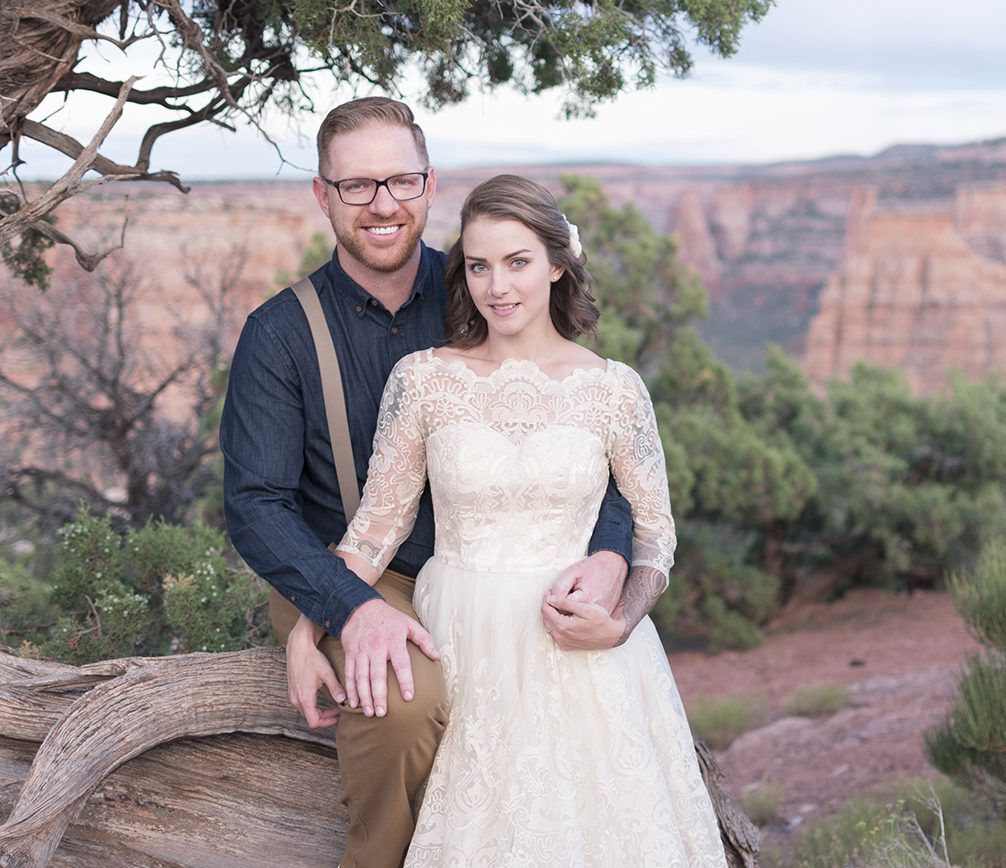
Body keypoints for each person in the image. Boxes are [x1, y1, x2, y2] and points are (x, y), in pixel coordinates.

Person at [220, 98, 635, 867]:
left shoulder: (484, 289)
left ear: (430, 184)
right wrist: (337, 613)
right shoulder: (279, 333)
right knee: (406, 702)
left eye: (401, 181)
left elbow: (591, 437)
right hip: (349, 566)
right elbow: (256, 506)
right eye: (357, 186)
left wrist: (611, 556)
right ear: (323, 195)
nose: (383, 205)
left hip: (501, 565)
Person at [331, 174, 724, 866]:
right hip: (461, 631)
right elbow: (376, 529)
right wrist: (310, 630)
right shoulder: (423, 379)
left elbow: (656, 538)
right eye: (478, 266)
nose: (497, 286)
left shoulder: (614, 390)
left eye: (516, 262)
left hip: (578, 647)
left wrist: (622, 619)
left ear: (556, 263)